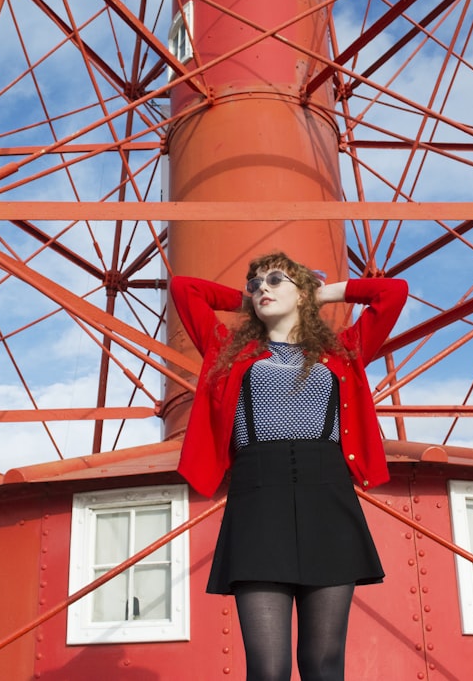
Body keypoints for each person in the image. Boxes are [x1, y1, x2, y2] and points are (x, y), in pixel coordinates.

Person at [170, 251, 408, 681]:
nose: (262, 288)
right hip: (257, 499)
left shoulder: (343, 351)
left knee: (324, 664)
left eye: (276, 280)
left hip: (328, 496)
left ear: (302, 294)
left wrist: (323, 291)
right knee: (268, 668)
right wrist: (247, 299)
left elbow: (392, 293)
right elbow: (184, 288)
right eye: (255, 283)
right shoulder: (227, 349)